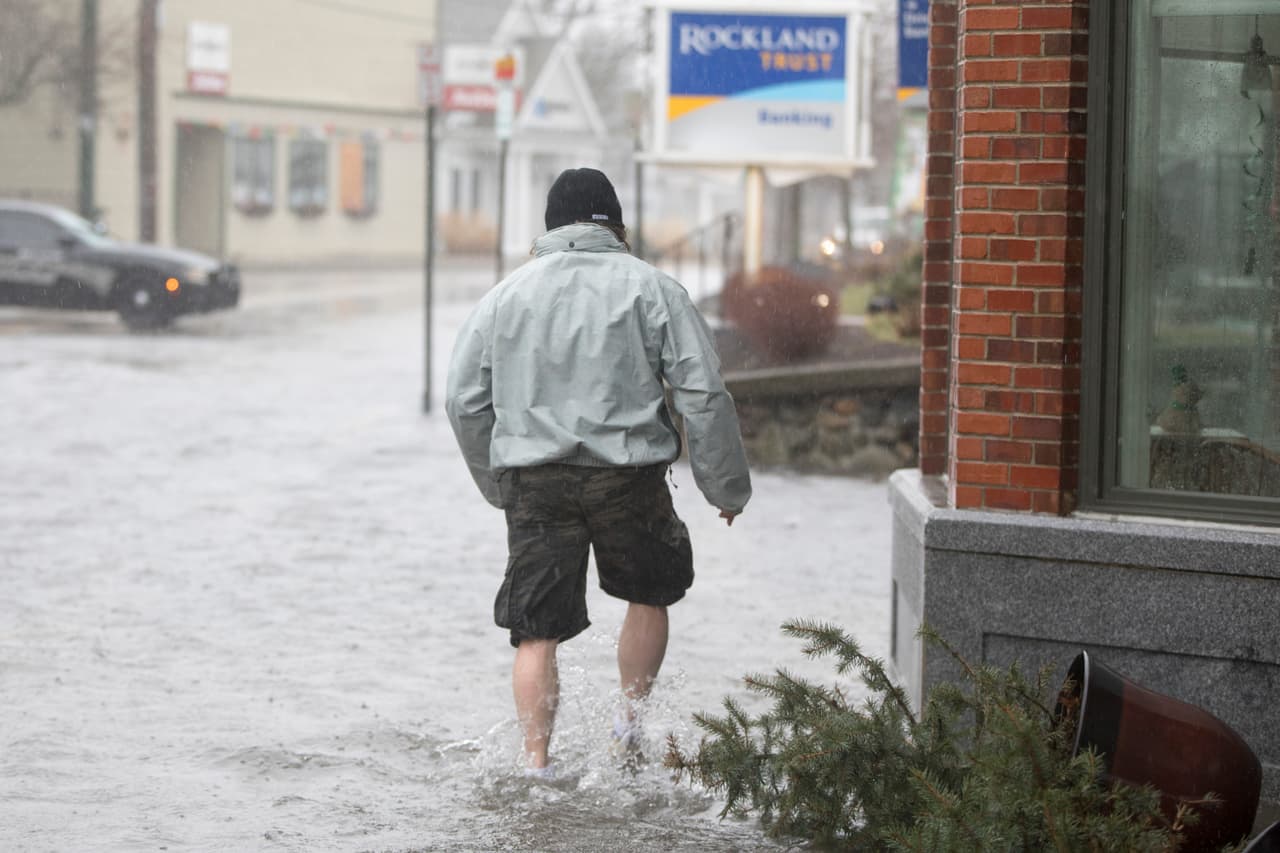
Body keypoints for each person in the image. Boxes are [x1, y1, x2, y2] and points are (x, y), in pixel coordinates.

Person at [444, 167, 752, 775]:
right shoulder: (654, 290)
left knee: (535, 628)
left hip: (536, 480)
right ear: (615, 224)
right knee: (649, 593)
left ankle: (535, 763)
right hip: (627, 478)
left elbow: (463, 402)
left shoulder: (505, 296)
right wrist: (725, 486)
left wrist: (496, 481)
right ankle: (628, 729)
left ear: (551, 226)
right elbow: (704, 393)